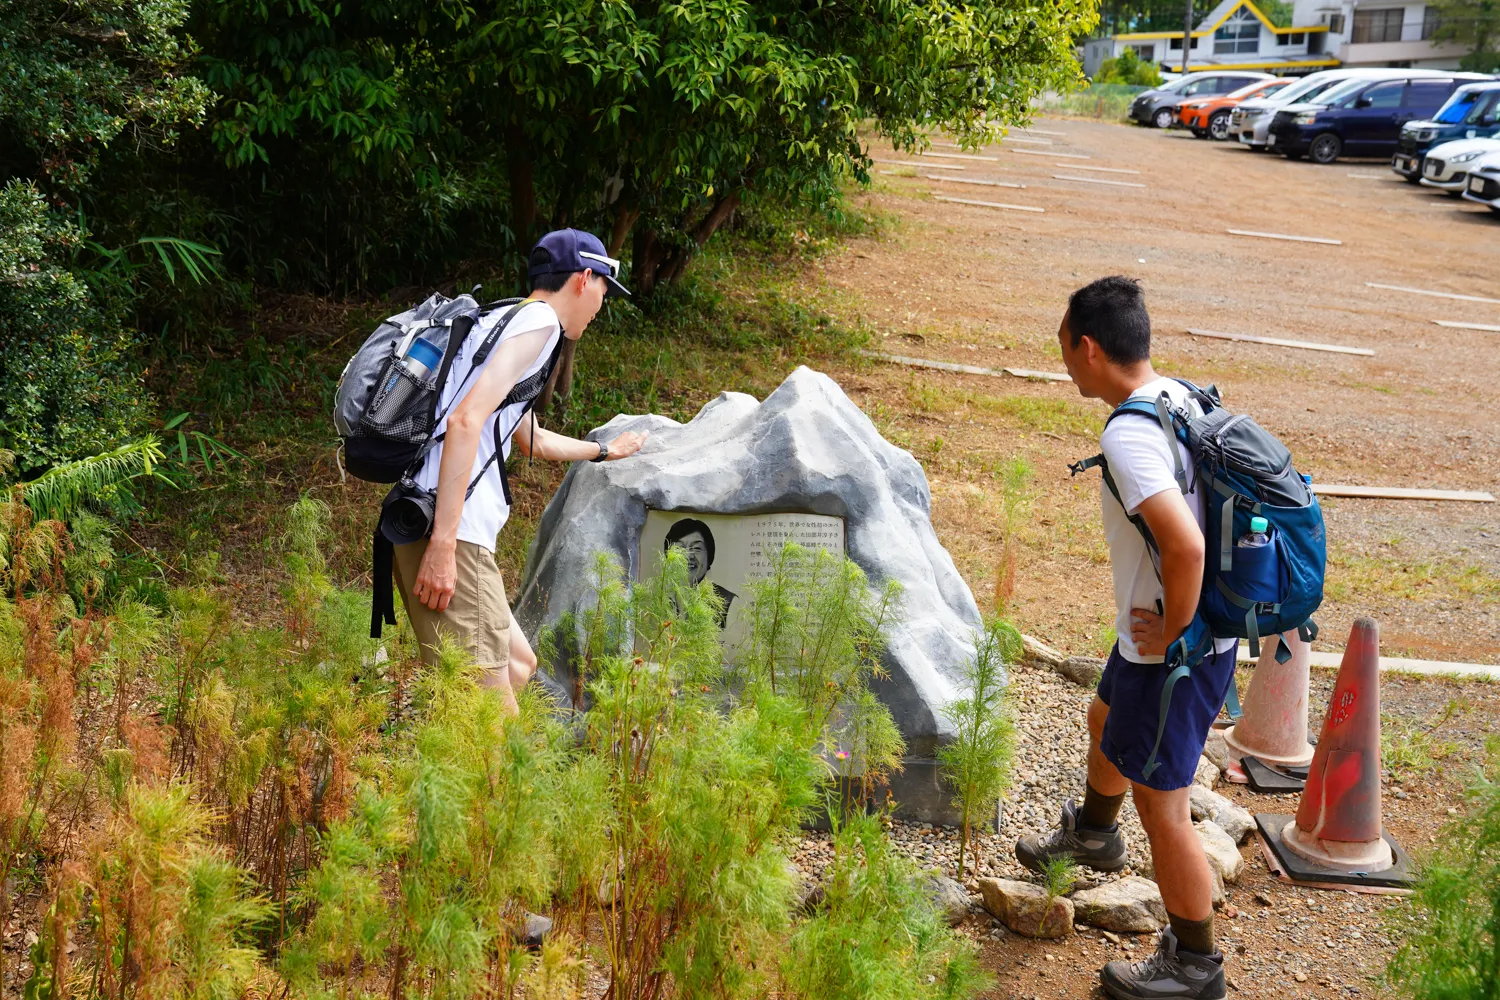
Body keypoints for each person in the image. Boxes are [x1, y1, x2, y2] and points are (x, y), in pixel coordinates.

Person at [1016, 276, 1237, 1000]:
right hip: (1172, 628)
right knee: (1104, 716)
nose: (1064, 364)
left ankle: (1196, 965)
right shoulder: (1174, 393)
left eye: (1063, 349)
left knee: (1163, 803)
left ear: (1087, 346)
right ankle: (1093, 835)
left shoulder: (1128, 433)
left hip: (1173, 646)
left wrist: (1176, 638)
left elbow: (1187, 547)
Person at [394, 229, 648, 715]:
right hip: (451, 534)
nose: (601, 306)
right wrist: (445, 545)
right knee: (489, 734)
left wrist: (603, 450)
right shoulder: (539, 325)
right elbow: (466, 420)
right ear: (584, 278)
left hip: (436, 523)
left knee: (519, 665)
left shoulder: (503, 320)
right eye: (603, 293)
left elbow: (528, 436)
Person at [663, 517, 737, 628]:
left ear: (709, 556)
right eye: (679, 548)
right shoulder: (657, 598)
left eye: (697, 548)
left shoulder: (728, 603)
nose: (688, 555)